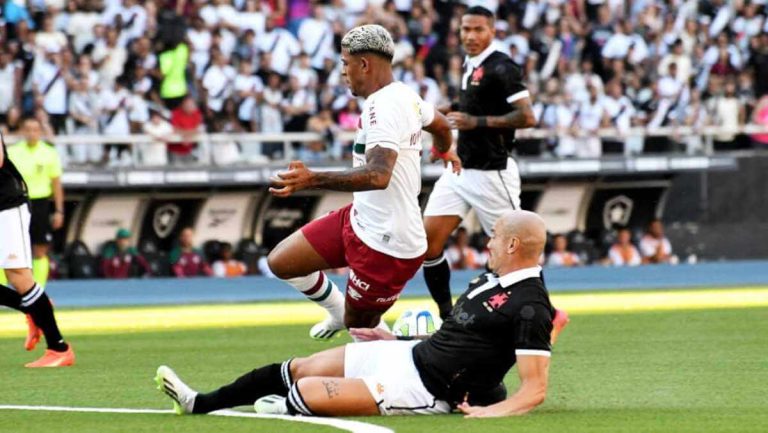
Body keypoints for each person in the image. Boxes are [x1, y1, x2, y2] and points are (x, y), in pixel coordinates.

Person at [155, 210, 554, 418]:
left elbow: (534, 388)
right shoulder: (492, 278)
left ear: (514, 244)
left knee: (309, 392)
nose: (489, 242)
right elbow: (458, 340)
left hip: (426, 390)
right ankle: (199, 403)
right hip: (409, 356)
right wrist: (395, 341)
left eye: (496, 236)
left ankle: (291, 406)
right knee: (301, 367)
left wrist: (491, 412)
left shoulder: (531, 305)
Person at [266, 24, 457, 340]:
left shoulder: (383, 105)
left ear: (364, 64)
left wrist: (312, 179)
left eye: (345, 63)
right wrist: (443, 147)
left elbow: (379, 175)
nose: (343, 72)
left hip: (389, 243)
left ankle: (408, 369)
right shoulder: (405, 95)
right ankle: (338, 312)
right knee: (282, 261)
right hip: (359, 219)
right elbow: (440, 123)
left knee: (360, 325)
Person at [420, 7, 536, 319]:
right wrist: (439, 114)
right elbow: (470, 104)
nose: (470, 36)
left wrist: (477, 121)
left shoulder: (502, 66)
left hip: (491, 173)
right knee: (427, 245)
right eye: (465, 29)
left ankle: (540, 315)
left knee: (515, 256)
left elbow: (527, 116)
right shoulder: (472, 65)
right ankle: (448, 317)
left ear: (493, 31)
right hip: (458, 170)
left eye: (478, 30)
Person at [0, 132, 75, 367]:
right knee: (24, 287)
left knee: (19, 278)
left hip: (6, 205)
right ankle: (34, 307)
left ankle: (59, 348)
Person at [7, 117, 65, 290]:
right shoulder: (13, 152)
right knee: (8, 249)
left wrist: (59, 211)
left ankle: (38, 291)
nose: (32, 133)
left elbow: (56, 183)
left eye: (35, 129)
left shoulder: (49, 152)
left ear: (40, 131)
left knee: (40, 249)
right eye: (28, 129)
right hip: (15, 203)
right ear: (22, 131)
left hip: (40, 203)